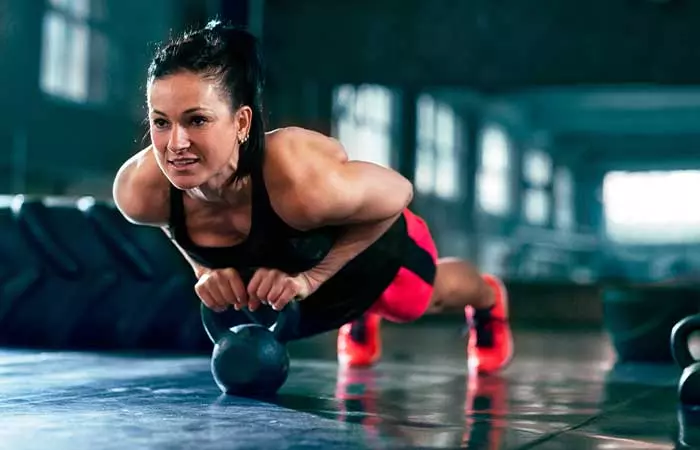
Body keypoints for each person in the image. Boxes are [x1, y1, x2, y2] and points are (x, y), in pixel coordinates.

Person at [112, 20, 513, 374]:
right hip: (297, 274)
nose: (175, 144)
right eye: (161, 122)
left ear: (241, 122)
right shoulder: (140, 192)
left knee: (416, 301)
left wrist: (314, 276)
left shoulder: (298, 179)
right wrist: (205, 270)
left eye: (197, 120)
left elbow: (398, 194)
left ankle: (489, 299)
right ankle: (356, 316)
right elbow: (171, 224)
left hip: (373, 250)